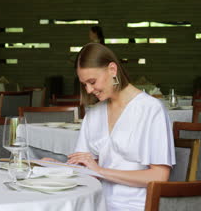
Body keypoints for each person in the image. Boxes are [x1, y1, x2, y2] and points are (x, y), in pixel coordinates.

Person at [67, 43, 174, 210]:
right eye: (84, 84)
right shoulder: (93, 114)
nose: (88, 90)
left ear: (112, 69)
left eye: (92, 81)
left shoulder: (151, 109)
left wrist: (100, 171)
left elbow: (159, 176)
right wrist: (59, 167)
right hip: (96, 203)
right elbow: (86, 169)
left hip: (137, 206)